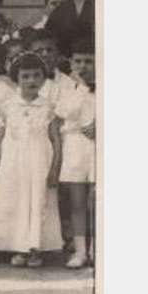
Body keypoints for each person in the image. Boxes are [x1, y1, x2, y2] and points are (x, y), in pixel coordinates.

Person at [0, 53, 63, 267]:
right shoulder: (8, 106)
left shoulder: (48, 107)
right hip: (14, 163)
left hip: (39, 162)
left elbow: (56, 139)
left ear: (43, 77)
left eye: (36, 75)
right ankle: (19, 247)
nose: (31, 80)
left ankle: (35, 248)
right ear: (16, 79)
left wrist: (55, 168)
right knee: (15, 200)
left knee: (37, 201)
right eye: (25, 76)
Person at [55, 38, 96, 268]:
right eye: (78, 61)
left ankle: (97, 249)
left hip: (98, 146)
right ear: (71, 63)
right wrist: (81, 87)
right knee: (78, 201)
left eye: (89, 61)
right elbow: (66, 112)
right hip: (75, 146)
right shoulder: (68, 89)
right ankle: (81, 252)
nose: (83, 66)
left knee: (97, 200)